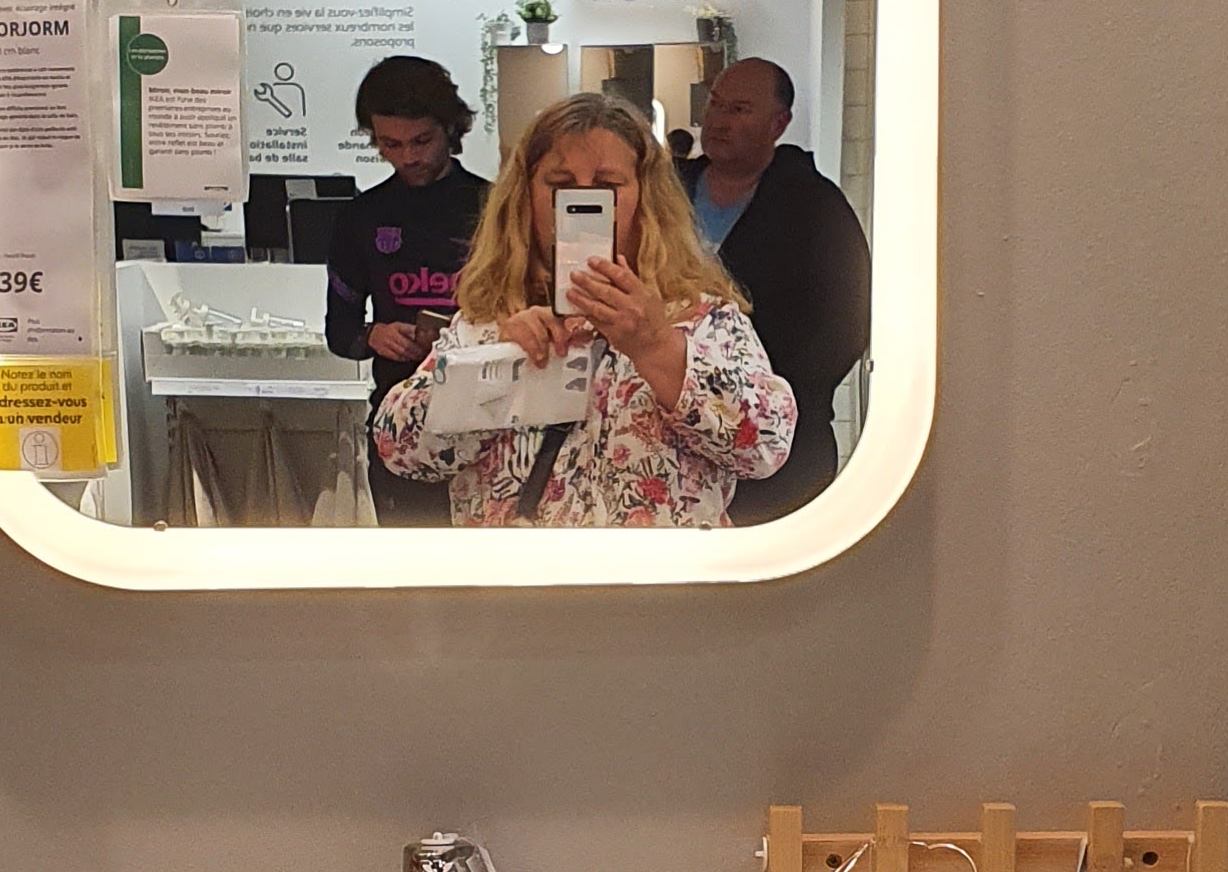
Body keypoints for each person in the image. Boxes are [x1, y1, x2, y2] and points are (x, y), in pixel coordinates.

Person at [374, 91, 792, 528]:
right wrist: (496, 364)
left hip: (660, 572)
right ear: (526, 196)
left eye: (608, 186)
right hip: (518, 571)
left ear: (645, 197)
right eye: (560, 184)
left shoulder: (702, 319)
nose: (583, 201)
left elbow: (767, 446)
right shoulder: (488, 321)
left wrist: (658, 348)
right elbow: (399, 450)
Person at [680, 58, 872, 521]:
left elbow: (848, 320)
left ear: (778, 123)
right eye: (715, 104)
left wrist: (777, 394)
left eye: (739, 109)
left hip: (780, 444)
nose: (719, 121)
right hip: (675, 435)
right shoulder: (669, 191)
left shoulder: (814, 205)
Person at [322, 56, 489, 526]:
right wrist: (373, 335)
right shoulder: (360, 218)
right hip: (400, 424)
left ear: (449, 128)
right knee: (412, 560)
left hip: (489, 420)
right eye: (390, 145)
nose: (409, 158)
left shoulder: (495, 208)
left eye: (421, 141)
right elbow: (339, 330)